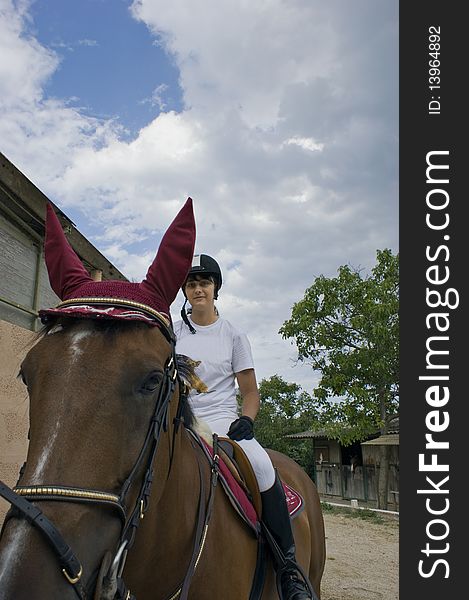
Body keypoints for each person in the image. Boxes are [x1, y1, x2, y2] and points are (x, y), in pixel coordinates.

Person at [174, 254, 313, 600]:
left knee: (264, 467)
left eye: (204, 282)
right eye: (191, 284)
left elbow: (250, 393)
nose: (198, 289)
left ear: (215, 288)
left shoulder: (233, 335)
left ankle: (289, 570)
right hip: (179, 420)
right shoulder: (172, 331)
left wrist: (246, 420)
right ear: (185, 291)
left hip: (222, 422)